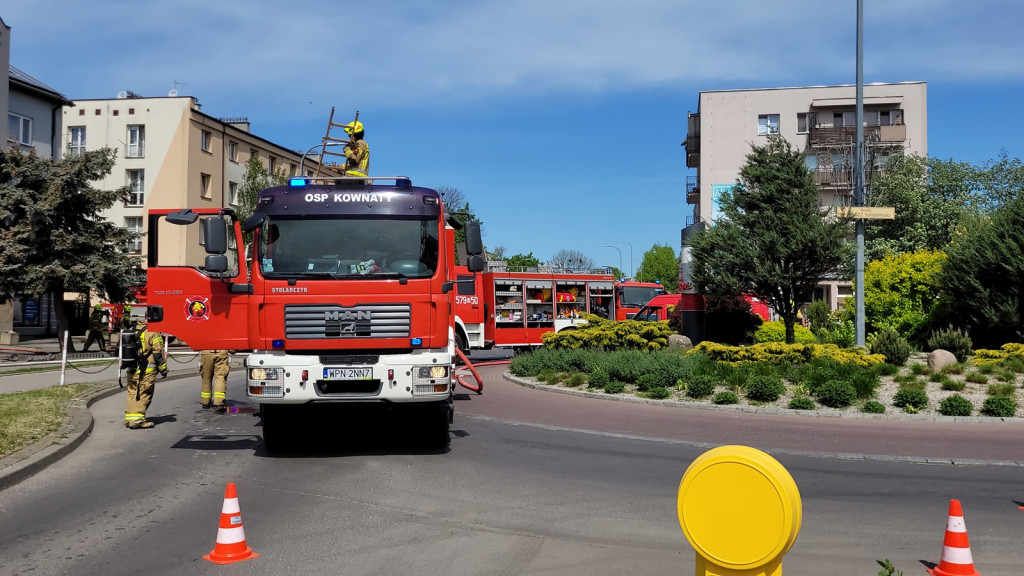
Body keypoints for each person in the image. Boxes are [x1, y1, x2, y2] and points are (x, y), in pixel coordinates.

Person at [124, 318, 167, 429]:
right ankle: (137, 420)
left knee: (132, 393)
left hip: (131, 369)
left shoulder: (132, 329)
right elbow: (158, 354)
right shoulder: (153, 332)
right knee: (143, 394)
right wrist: (163, 370)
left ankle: (129, 419)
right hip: (146, 371)